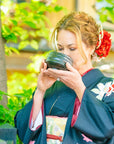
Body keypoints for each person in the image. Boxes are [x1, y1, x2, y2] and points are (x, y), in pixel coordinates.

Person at [14, 11, 114, 144]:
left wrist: (79, 88)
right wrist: (40, 91)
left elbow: (107, 129)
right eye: (60, 49)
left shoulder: (108, 88)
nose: (65, 55)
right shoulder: (52, 87)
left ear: (91, 47)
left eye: (72, 48)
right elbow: (23, 131)